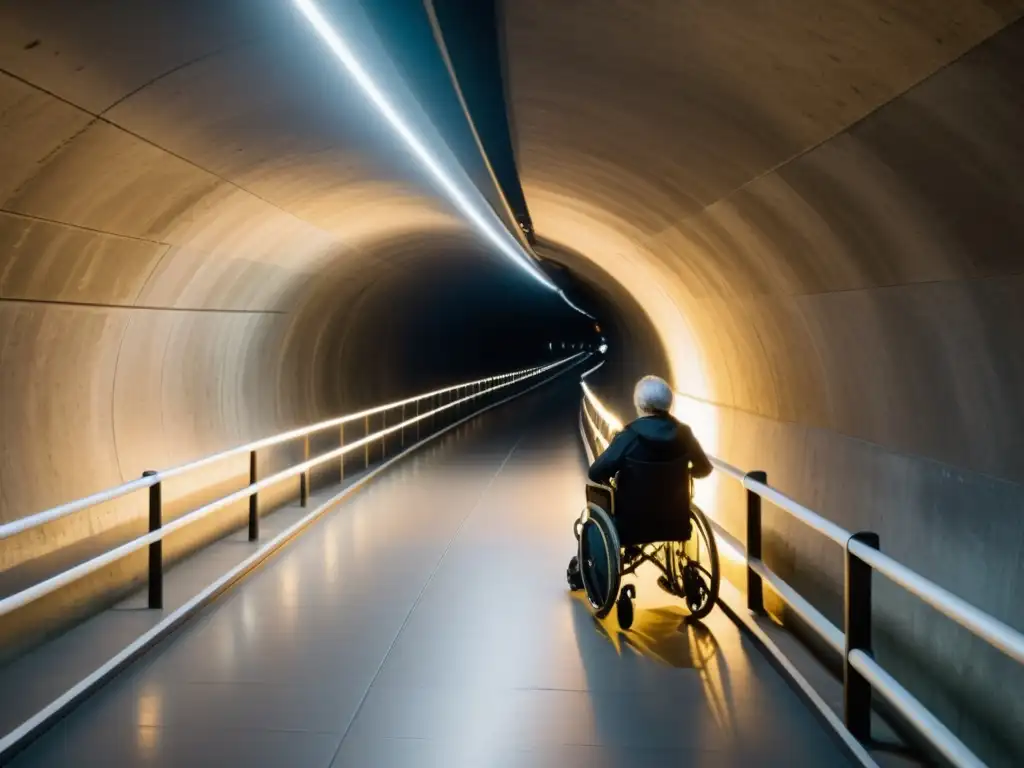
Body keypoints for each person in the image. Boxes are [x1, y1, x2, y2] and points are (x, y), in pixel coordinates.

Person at [588, 375, 713, 485]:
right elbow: (704, 468)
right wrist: (681, 474)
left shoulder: (628, 436)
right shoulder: (684, 433)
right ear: (668, 403)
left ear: (640, 405)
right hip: (676, 510)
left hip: (631, 511)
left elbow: (595, 473)